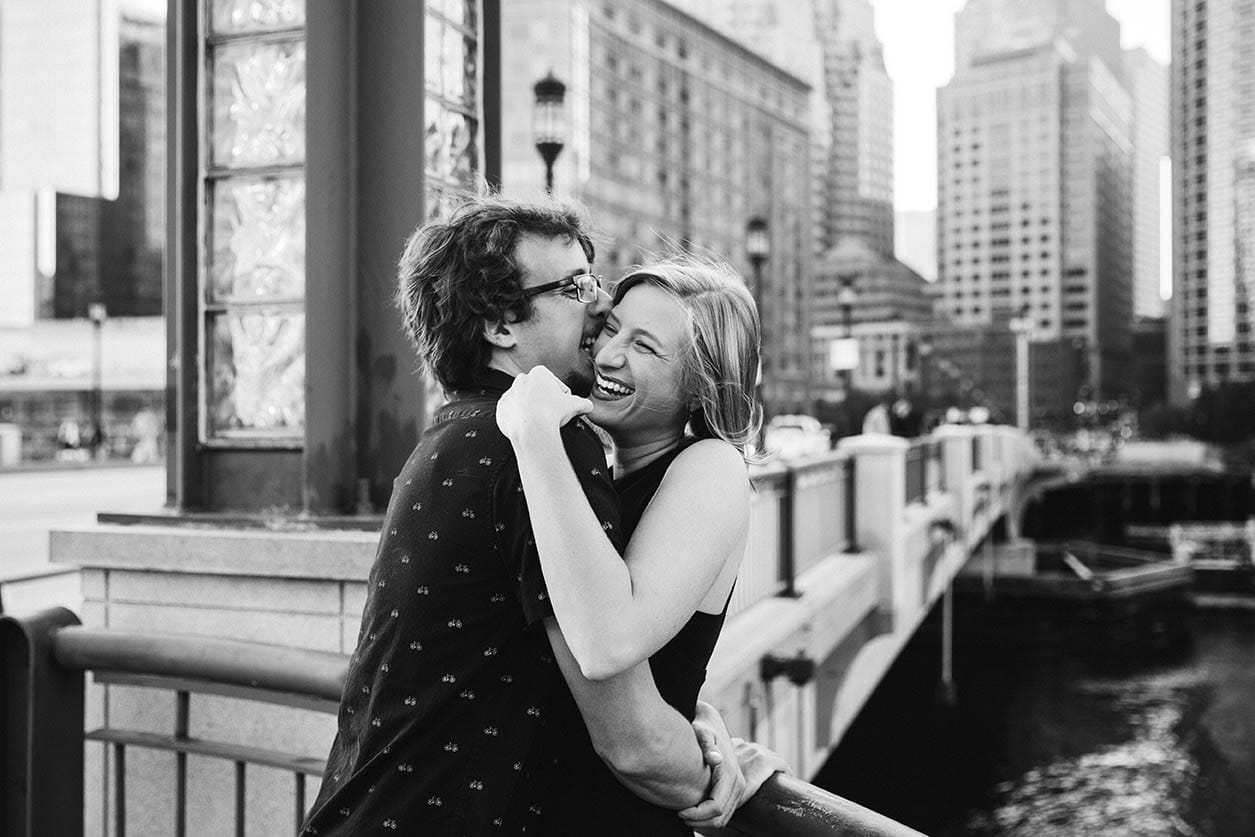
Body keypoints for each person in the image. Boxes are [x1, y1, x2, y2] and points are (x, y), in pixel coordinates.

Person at [301, 196, 762, 836]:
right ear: (500, 325)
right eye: (578, 289)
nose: (599, 317)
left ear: (700, 383)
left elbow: (605, 668)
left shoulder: (462, 431)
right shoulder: (539, 440)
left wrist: (695, 721)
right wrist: (710, 763)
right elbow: (619, 711)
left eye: (644, 344)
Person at [495, 256, 789, 834]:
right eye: (610, 328)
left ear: (702, 384)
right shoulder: (603, 474)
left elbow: (607, 644)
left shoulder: (711, 467)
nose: (607, 354)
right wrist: (701, 724)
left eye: (646, 347)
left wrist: (533, 435)